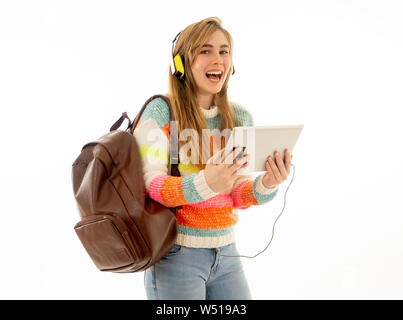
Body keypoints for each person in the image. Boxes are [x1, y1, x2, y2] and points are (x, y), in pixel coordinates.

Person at [133, 17, 292, 300]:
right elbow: (150, 186)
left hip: (227, 254)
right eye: (205, 50)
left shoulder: (239, 117)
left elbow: (237, 195)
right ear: (182, 63)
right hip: (176, 255)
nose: (217, 59)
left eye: (224, 50)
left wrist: (267, 183)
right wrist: (206, 181)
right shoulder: (160, 112)